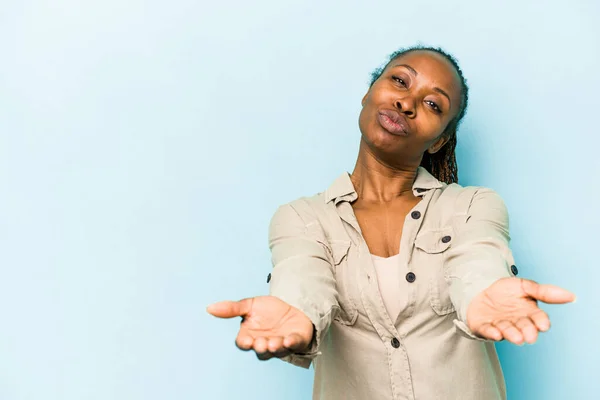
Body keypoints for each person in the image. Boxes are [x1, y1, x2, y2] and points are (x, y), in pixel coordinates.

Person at [206, 45, 576, 400]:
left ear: (439, 141)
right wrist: (297, 315)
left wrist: (484, 292)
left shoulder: (472, 206)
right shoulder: (302, 218)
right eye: (400, 81)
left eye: (433, 104)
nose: (407, 103)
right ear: (369, 93)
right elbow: (303, 276)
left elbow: (477, 258)